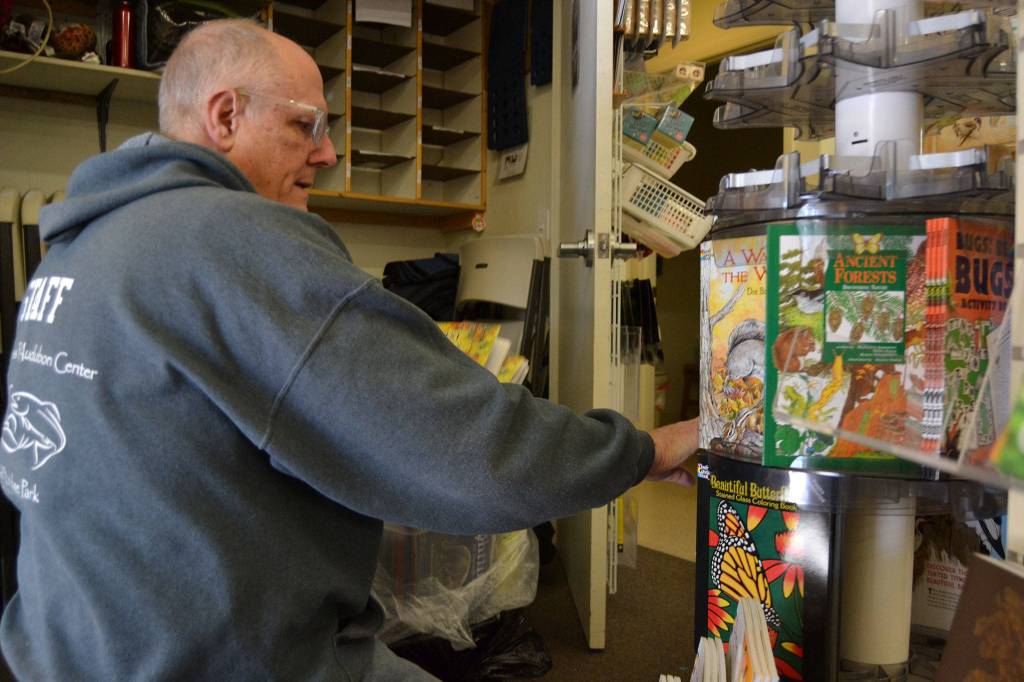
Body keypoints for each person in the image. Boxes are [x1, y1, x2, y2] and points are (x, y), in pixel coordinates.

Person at [0, 18, 700, 681]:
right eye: (306, 124)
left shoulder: (77, 249)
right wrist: (649, 449)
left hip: (64, 649)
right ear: (224, 117)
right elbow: (472, 453)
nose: (328, 152)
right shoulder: (233, 239)